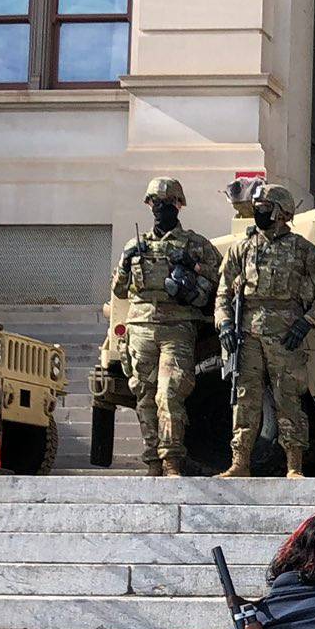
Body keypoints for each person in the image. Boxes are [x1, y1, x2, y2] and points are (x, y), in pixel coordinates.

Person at [215, 182, 315, 480]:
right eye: (257, 208)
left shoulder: (304, 251)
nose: (259, 213)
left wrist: (308, 322)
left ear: (281, 214)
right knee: (245, 397)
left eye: (265, 208)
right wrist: (225, 323)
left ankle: (294, 465)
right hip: (247, 334)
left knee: (288, 397)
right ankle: (240, 462)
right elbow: (222, 293)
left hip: (286, 334)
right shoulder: (241, 249)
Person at [113, 178, 221, 477]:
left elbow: (221, 277)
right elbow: (120, 290)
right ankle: (152, 461)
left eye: (164, 203)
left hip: (177, 329)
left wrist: (192, 266)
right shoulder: (135, 245)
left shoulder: (195, 244)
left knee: (170, 394)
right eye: (154, 203)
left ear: (177, 205)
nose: (158, 209)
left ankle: (172, 458)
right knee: (145, 396)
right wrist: (125, 266)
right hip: (141, 328)